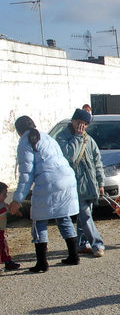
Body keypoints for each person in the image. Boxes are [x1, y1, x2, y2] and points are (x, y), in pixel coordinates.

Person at [9, 116, 80, 272]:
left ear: (19, 131)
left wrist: (17, 199)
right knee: (64, 217)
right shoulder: (46, 136)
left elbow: (26, 174)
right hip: (67, 179)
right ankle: (74, 256)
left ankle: (42, 263)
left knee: (39, 220)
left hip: (48, 181)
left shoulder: (25, 141)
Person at [56, 108, 106, 257]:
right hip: (73, 184)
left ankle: (82, 243)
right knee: (85, 215)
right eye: (79, 123)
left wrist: (100, 182)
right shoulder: (62, 138)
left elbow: (97, 161)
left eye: (85, 124)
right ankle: (97, 244)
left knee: (84, 215)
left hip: (90, 184)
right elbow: (70, 157)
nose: (81, 127)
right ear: (73, 121)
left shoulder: (89, 139)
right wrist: (77, 137)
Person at [0, 182, 21, 271]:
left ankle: (8, 262)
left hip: (1, 230)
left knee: (4, 247)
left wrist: (17, 212)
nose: (6, 196)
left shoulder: (3, 204)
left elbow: (11, 210)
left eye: (6, 193)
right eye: (4, 194)